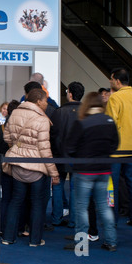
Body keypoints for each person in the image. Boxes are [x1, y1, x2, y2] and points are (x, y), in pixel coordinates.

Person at [2, 88, 60, 247]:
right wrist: (54, 173)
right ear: (38, 101)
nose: (47, 104)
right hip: (36, 167)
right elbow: (45, 150)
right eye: (45, 101)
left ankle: (8, 237)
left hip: (16, 164)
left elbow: (6, 137)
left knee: (15, 201)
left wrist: (18, 146)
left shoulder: (14, 113)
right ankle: (35, 240)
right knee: (37, 203)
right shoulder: (42, 119)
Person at [65, 92, 119, 251]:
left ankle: (81, 244)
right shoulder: (109, 121)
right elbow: (115, 145)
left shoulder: (82, 122)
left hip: (84, 171)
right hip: (104, 169)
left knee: (82, 208)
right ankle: (111, 241)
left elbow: (70, 147)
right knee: (103, 206)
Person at [50, 81, 84, 228]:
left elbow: (53, 136)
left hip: (60, 155)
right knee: (76, 188)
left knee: (57, 185)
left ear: (70, 94)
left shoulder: (58, 112)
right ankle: (74, 220)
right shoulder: (86, 112)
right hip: (80, 156)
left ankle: (56, 218)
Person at [105, 68, 132, 225]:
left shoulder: (115, 98)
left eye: (111, 79)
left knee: (112, 186)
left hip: (116, 150)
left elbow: (111, 123)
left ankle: (112, 220)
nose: (110, 82)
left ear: (116, 81)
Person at [0, 99, 20, 234]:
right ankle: (17, 227)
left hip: (3, 166)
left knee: (6, 197)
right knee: (19, 198)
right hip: (19, 165)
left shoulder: (0, 129)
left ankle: (2, 227)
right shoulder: (21, 129)